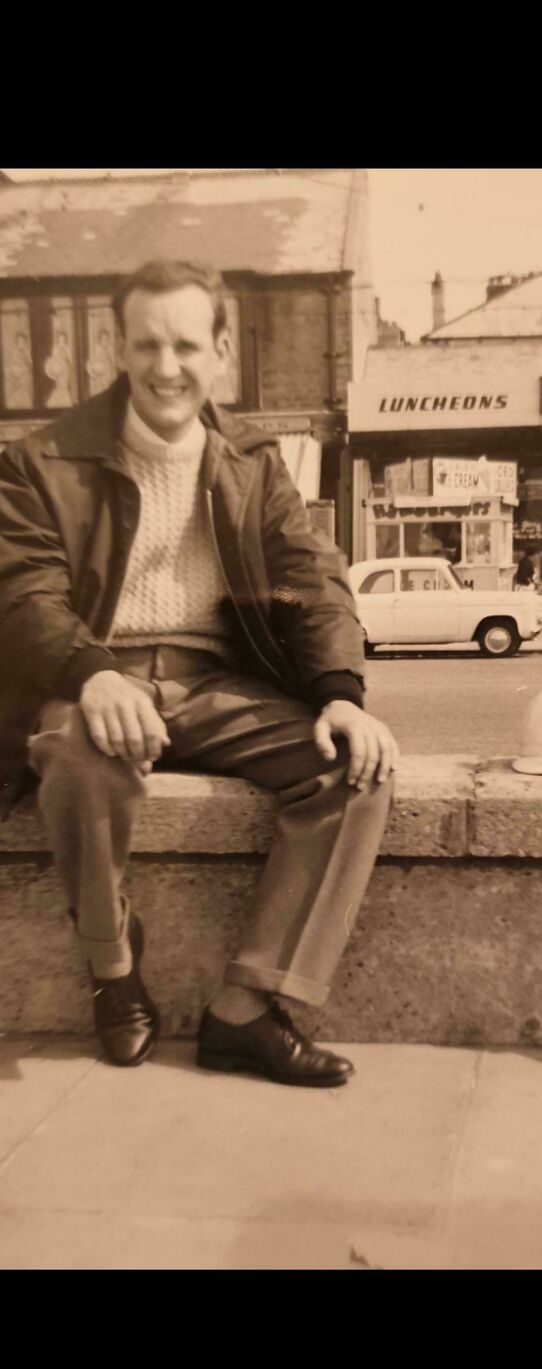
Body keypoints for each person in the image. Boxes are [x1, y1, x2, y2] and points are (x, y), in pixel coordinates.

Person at [0, 259, 399, 1089]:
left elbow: (313, 579)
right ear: (117, 346)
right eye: (145, 344)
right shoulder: (41, 459)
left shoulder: (253, 459)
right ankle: (113, 973)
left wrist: (339, 694)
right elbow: (21, 592)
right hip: (95, 674)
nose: (166, 366)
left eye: (186, 344)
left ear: (221, 350)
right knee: (76, 753)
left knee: (356, 771)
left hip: (216, 684)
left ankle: (247, 1010)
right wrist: (90, 673)